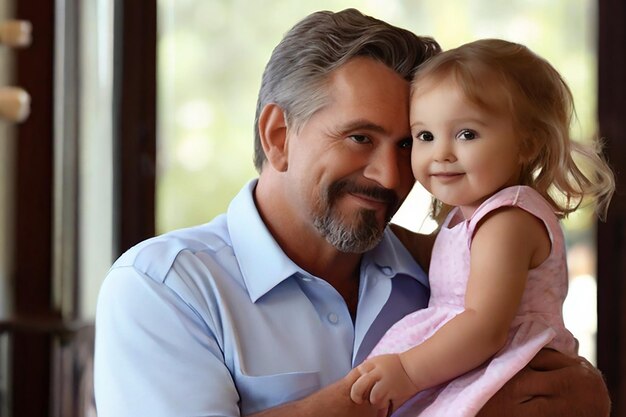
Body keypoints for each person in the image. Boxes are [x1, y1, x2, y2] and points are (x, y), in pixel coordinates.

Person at [94, 9, 611, 417]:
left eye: (408, 144)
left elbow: (551, 376)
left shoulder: (447, 270)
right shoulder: (163, 288)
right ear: (278, 136)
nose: (391, 176)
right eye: (360, 137)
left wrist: (586, 394)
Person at [349, 38, 615, 416]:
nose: (441, 152)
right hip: (469, 357)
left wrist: (408, 370)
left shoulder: (507, 220)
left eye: (467, 134)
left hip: (495, 361)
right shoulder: (471, 215)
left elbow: (484, 325)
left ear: (527, 144)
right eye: (425, 136)